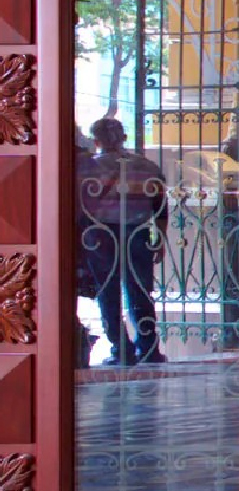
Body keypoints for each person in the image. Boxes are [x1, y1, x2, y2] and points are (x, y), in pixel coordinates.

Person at [78, 116, 168, 366]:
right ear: (124, 138)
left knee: (108, 292)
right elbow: (160, 207)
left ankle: (121, 349)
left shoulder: (88, 168)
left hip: (100, 235)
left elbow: (80, 204)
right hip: (138, 232)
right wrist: (159, 238)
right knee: (140, 291)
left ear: (96, 141)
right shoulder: (147, 167)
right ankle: (149, 348)